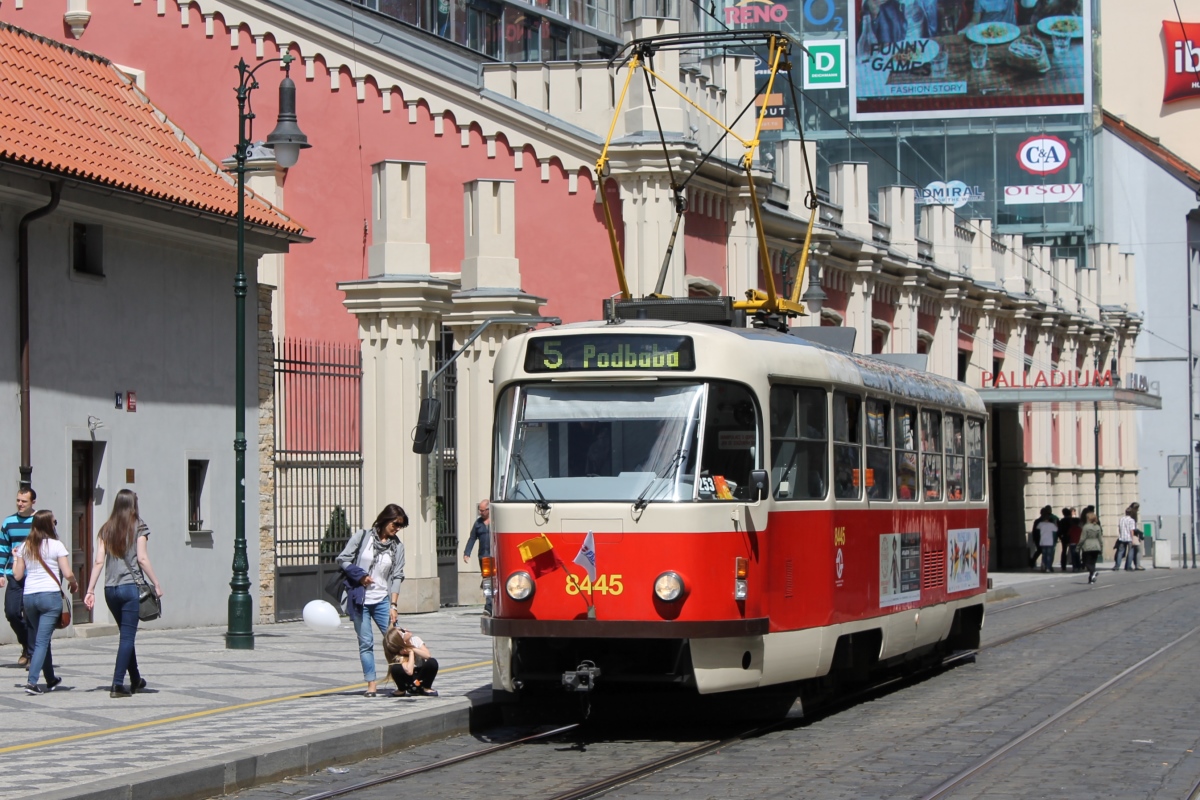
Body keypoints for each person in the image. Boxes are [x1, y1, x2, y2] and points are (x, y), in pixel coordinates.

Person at [83, 489, 163, 698]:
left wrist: (90, 589)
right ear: (133, 505)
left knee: (126, 635)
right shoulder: (139, 526)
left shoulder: (106, 529)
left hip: (110, 590)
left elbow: (99, 561)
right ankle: (117, 684)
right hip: (130, 588)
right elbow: (143, 559)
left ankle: (135, 679)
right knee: (127, 637)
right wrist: (156, 583)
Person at [336, 504, 408, 697]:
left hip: (382, 600)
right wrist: (360, 576)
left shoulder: (397, 546)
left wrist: (393, 605)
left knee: (395, 643)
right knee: (365, 642)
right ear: (385, 519)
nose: (397, 528)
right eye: (396, 524)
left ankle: (401, 683)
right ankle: (371, 685)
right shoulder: (362, 537)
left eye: (400, 526)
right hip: (360, 600)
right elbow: (342, 559)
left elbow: (398, 576)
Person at [12, 510, 77, 694]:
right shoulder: (56, 545)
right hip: (49, 597)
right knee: (41, 641)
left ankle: (50, 679)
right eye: (54, 522)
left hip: (30, 597)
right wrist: (74, 583)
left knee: (42, 639)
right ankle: (32, 682)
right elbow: (68, 573)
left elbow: (17, 575)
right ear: (49, 525)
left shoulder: (26, 546)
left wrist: (16, 556)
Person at [1, 487, 36, 667]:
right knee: (12, 612)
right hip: (15, 575)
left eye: (24, 501)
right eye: (18, 501)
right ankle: (26, 645)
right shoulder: (9, 522)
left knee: (31, 615)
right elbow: (3, 549)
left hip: (35, 576)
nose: (20, 504)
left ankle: (31, 653)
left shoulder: (39, 522)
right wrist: (0, 573)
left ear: (33, 503)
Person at [383, 625, 439, 697]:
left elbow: (427, 655)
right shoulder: (401, 652)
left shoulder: (416, 640)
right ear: (401, 640)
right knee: (396, 668)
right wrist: (411, 653)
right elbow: (409, 671)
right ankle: (401, 689)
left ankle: (426, 687)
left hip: (420, 677)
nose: (406, 629)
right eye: (403, 631)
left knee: (432, 662)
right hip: (409, 681)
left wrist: (413, 649)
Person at [463, 499, 492, 615]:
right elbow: (472, 538)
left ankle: (493, 604)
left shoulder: (497, 521)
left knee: (493, 580)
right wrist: (467, 553)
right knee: (487, 580)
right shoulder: (478, 523)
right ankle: (489, 605)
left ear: (489, 510)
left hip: (495, 556)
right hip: (483, 557)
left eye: (483, 510)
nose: (481, 513)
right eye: (479, 510)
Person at [1078, 508, 1104, 584]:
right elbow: (1100, 539)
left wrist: (1078, 547)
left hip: (1087, 547)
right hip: (1096, 546)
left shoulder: (1086, 527)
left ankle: (1093, 572)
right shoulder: (1097, 527)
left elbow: (1082, 538)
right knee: (1093, 563)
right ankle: (1091, 578)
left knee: (1086, 562)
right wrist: (1101, 549)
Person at [1032, 505, 1058, 572]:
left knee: (1044, 555)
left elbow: (1035, 530)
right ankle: (1048, 567)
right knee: (1049, 555)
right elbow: (1056, 530)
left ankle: (1043, 566)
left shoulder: (1039, 523)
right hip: (1050, 541)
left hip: (1042, 541)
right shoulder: (1051, 524)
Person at [1114, 503, 1137, 571]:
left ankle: (1117, 566)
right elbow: (1131, 530)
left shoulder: (1121, 519)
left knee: (1120, 552)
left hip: (1122, 537)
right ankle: (1128, 566)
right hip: (1129, 538)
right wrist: (1132, 538)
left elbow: (1119, 528)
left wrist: (1120, 534)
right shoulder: (1131, 520)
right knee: (1130, 552)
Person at [1057, 507, 1079, 572]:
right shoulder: (1072, 520)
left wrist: (1060, 537)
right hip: (1072, 536)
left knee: (1064, 551)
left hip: (1064, 537)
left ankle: (1063, 565)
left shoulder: (1062, 521)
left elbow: (1059, 530)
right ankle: (1076, 565)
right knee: (1074, 551)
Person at [1125, 503, 1144, 570]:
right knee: (1138, 550)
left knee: (1132, 551)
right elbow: (1133, 528)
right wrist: (1139, 533)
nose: (1138, 510)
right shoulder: (1133, 517)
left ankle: (1129, 565)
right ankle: (1137, 565)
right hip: (1133, 535)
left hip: (1131, 535)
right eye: (1137, 508)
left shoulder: (1129, 517)